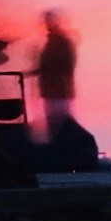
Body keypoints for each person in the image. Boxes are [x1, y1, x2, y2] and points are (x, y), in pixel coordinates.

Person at [34, 10, 79, 140]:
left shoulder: (59, 42)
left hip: (58, 90)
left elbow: (62, 65)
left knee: (59, 125)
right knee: (57, 125)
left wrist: (41, 70)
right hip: (55, 90)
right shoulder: (56, 42)